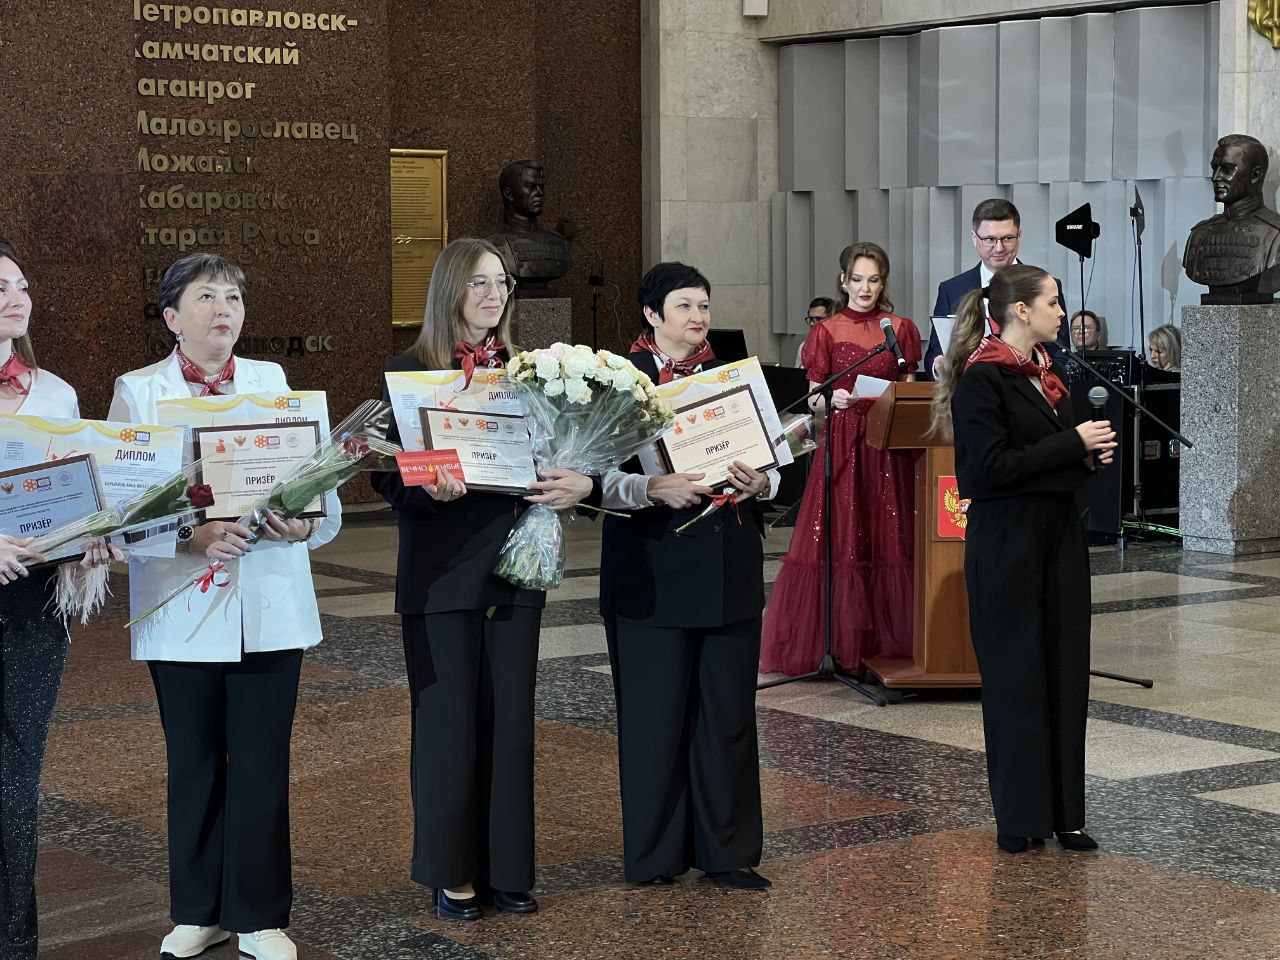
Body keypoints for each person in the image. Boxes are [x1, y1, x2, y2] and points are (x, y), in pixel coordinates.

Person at [109, 253, 341, 960]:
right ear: (172, 317)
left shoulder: (272, 383)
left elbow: (320, 499)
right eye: (206, 296)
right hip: (183, 607)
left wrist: (302, 524)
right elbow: (118, 515)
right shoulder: (138, 391)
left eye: (235, 296)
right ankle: (197, 910)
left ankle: (261, 915)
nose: (225, 309)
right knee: (196, 761)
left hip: (270, 601)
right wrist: (193, 534)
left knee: (263, 761)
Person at [372, 237, 592, 922]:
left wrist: (568, 482)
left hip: (513, 567)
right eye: (479, 284)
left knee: (509, 722)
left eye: (502, 283)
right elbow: (384, 470)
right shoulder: (409, 371)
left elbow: (563, 454)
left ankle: (507, 868)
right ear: (450, 293)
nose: (494, 295)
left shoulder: (534, 372)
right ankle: (451, 871)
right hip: (440, 573)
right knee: (447, 726)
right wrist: (423, 485)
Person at [594, 261, 774, 890]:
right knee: (654, 717)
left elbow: (776, 462)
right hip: (651, 570)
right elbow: (592, 479)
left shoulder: (732, 376)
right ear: (651, 315)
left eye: (704, 305)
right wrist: (650, 486)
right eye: (684, 307)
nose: (698, 318)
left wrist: (764, 481)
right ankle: (655, 854)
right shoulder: (617, 382)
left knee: (726, 717)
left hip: (729, 567)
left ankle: (727, 853)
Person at [930, 263, 1116, 855]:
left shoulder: (1045, 372)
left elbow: (1046, 457)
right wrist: (1072, 443)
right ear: (1021, 312)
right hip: (1007, 544)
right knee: (1017, 681)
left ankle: (1067, 816)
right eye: (1053, 303)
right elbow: (984, 473)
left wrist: (1087, 457)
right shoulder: (983, 379)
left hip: (1056, 537)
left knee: (1063, 673)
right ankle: (1020, 818)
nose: (1062, 313)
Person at [0, 240, 119, 960]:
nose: (16, 295)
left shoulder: (55, 393)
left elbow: (79, 498)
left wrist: (93, 540)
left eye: (18, 282)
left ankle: (15, 942)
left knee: (17, 779)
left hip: (32, 607)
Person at [760, 242, 919, 677]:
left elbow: (907, 388)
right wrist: (834, 397)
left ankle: (887, 640)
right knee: (841, 536)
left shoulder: (900, 328)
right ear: (843, 280)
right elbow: (812, 399)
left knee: (889, 533)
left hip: (887, 443)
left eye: (874, 279)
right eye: (858, 279)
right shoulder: (826, 331)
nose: (865, 288)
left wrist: (890, 398)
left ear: (882, 282)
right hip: (844, 441)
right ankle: (839, 641)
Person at [923, 198, 1070, 379]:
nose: (999, 248)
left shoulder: (1045, 285)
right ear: (974, 238)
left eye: (1007, 238)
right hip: (971, 393)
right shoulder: (951, 289)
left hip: (1030, 393)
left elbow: (1062, 354)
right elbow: (934, 354)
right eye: (990, 239)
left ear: (1019, 235)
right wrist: (938, 367)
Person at [794, 297, 836, 367]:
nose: (812, 323)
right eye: (810, 319)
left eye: (818, 319)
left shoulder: (843, 348)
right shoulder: (803, 347)